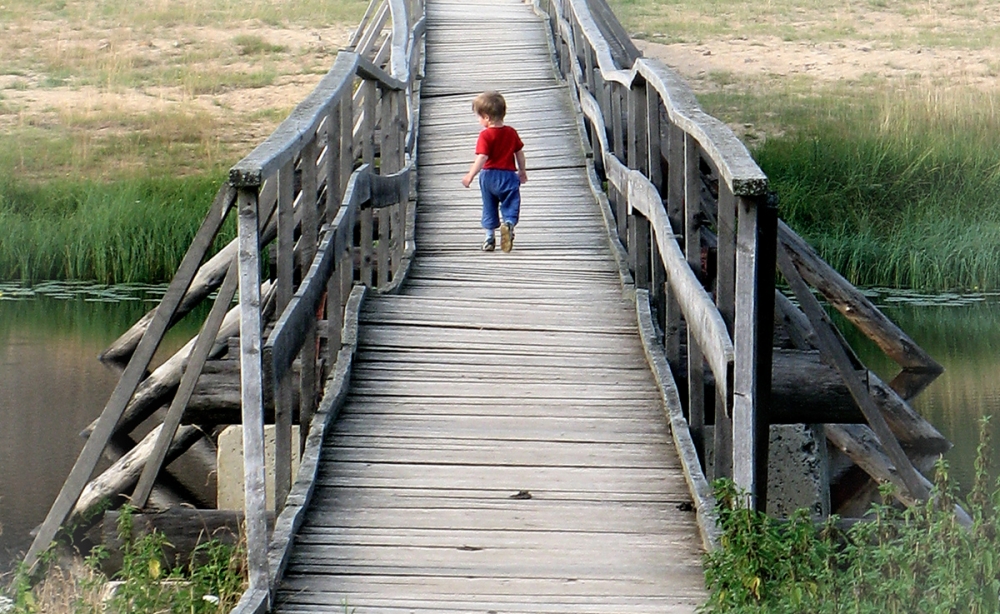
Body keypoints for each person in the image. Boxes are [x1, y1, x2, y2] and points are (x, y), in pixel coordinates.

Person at [461, 90, 528, 252]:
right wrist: (522, 171)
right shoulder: (511, 133)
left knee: (489, 206)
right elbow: (519, 153)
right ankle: (509, 223)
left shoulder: (485, 136)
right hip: (508, 176)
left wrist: (470, 174)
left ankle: (489, 238)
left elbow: (482, 157)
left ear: (487, 118)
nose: (478, 120)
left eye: (479, 116)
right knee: (511, 203)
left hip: (489, 176)